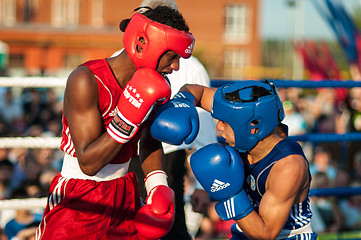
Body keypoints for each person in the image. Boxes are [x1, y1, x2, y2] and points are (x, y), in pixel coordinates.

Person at [35, 6, 195, 240]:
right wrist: (127, 118)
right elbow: (88, 162)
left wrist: (158, 184)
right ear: (144, 44)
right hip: (80, 197)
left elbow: (149, 142)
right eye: (172, 57)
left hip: (125, 191)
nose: (176, 67)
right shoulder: (87, 79)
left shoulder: (156, 86)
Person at [150, 80, 317, 239]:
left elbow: (265, 234)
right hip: (244, 232)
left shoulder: (288, 166)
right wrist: (184, 102)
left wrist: (230, 194)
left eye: (225, 122)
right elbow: (196, 91)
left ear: (253, 127)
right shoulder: (250, 127)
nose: (218, 127)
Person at [112, 1, 217, 239]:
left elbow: (204, 129)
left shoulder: (189, 68)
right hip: (120, 160)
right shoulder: (110, 66)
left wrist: (202, 185)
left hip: (165, 157)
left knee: (169, 228)